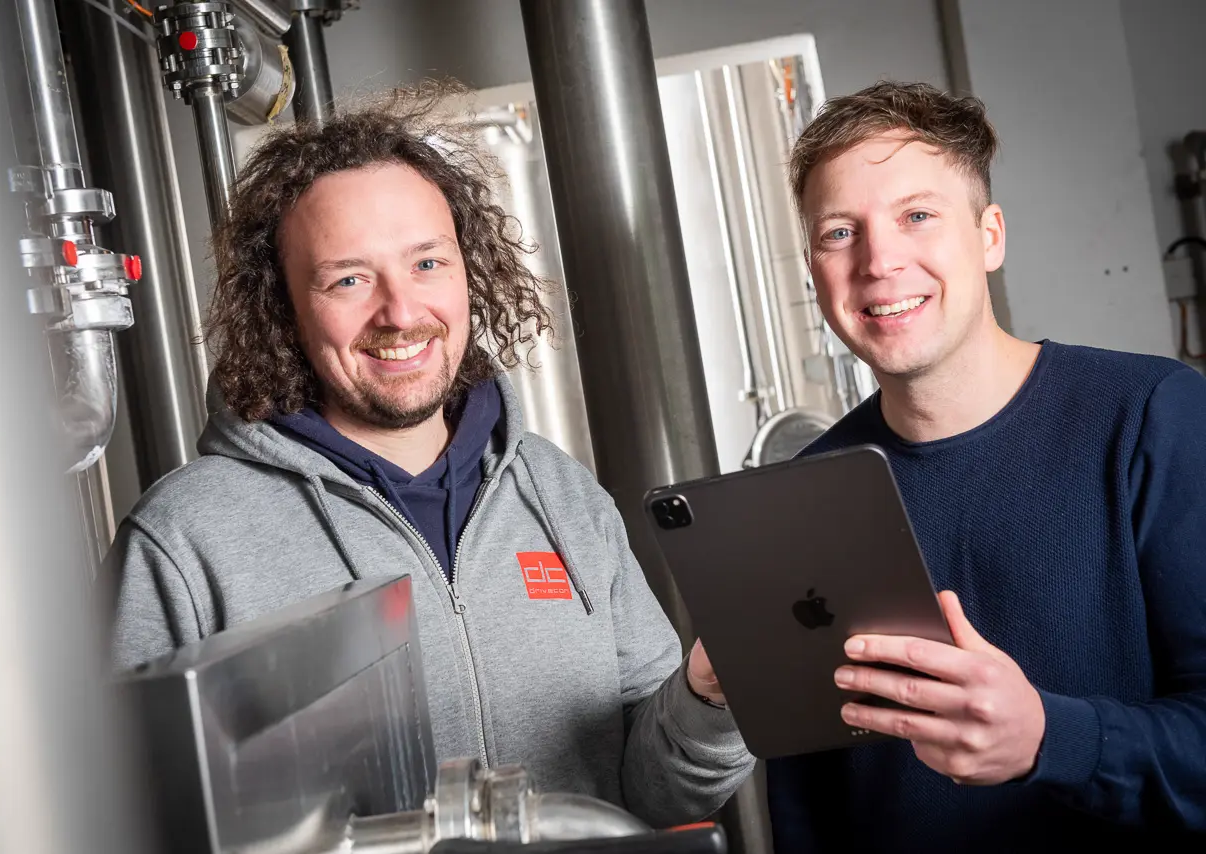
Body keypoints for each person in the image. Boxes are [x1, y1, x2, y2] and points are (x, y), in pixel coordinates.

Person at [107, 83, 754, 828]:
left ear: (469, 273)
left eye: (427, 264)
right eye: (348, 279)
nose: (402, 312)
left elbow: (647, 796)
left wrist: (709, 702)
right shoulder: (185, 542)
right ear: (282, 306)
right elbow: (115, 821)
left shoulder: (561, 494)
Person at [768, 81, 1206, 851]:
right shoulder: (806, 490)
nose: (880, 260)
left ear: (990, 235)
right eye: (841, 232)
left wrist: (1051, 738)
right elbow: (810, 794)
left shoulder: (1152, 416)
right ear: (814, 270)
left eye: (918, 216)